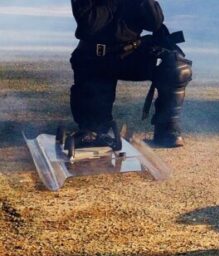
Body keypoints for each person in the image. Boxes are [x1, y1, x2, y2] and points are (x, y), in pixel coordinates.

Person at [70, 0, 192, 148]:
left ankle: (167, 127)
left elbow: (155, 22)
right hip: (95, 59)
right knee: (96, 133)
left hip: (130, 53)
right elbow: (90, 24)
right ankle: (94, 124)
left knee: (176, 67)